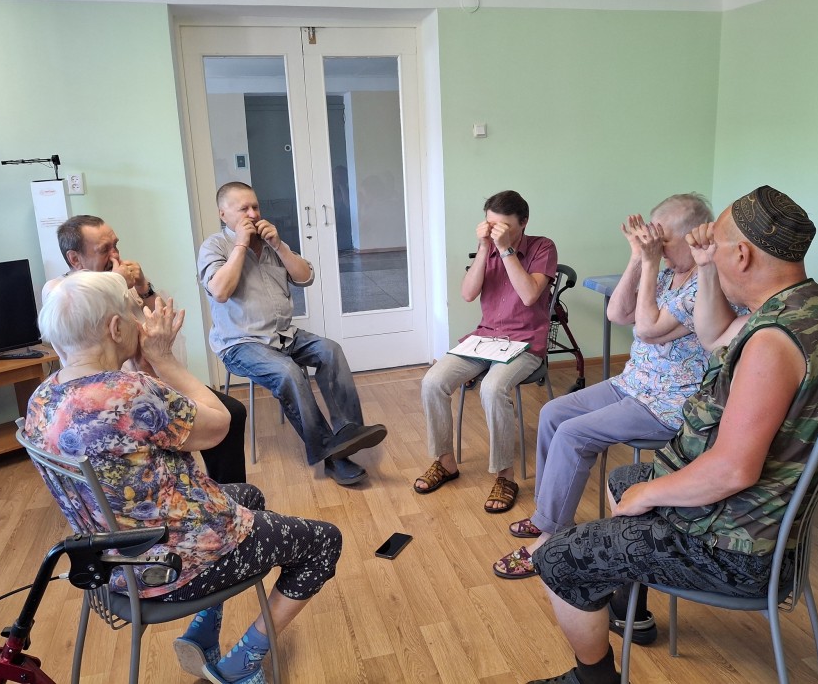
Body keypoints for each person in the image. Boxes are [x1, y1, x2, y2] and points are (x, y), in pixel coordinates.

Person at [526, 186, 818, 684]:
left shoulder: (773, 343)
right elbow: (712, 335)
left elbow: (733, 469)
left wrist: (651, 494)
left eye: (713, 245)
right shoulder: (817, 311)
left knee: (557, 559)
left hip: (734, 547)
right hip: (768, 522)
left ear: (742, 255)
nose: (703, 250)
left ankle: (593, 678)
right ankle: (626, 603)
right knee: (625, 479)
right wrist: (707, 266)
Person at [23, 271, 342, 684]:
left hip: (106, 560)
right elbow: (221, 424)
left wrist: (140, 363)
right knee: (324, 542)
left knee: (250, 495)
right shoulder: (130, 393)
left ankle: (201, 635)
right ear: (116, 328)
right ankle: (241, 665)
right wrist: (164, 359)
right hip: (170, 566)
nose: (141, 322)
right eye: (133, 314)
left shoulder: (43, 397)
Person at [493, 194, 720, 643]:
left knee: (574, 434)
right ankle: (550, 515)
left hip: (667, 402)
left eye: (662, 240)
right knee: (554, 412)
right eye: (651, 238)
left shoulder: (703, 287)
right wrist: (638, 257)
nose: (656, 246)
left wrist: (648, 261)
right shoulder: (667, 271)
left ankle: (546, 539)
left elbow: (645, 328)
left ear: (693, 237)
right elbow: (618, 312)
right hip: (633, 383)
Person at [197, 181, 387, 487]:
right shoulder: (214, 247)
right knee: (288, 371)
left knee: (330, 350)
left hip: (284, 334)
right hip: (241, 343)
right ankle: (331, 455)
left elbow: (306, 277)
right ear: (223, 214)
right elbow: (219, 291)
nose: (253, 214)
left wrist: (280, 246)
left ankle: (348, 431)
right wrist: (241, 246)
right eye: (243, 208)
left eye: (255, 206)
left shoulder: (270, 243)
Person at [44, 214, 247, 485]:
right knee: (222, 418)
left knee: (233, 412)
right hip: (120, 396)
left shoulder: (121, 282)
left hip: (152, 381)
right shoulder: (61, 292)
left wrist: (144, 288)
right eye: (104, 250)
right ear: (75, 259)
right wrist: (116, 282)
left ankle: (224, 489)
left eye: (116, 245)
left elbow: (161, 319)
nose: (116, 255)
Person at [414, 190, 557, 513]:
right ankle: (445, 462)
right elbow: (467, 294)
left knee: (492, 388)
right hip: (485, 337)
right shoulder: (488, 248)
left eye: (504, 226)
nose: (496, 232)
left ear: (523, 222)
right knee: (432, 381)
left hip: (525, 342)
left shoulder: (542, 247)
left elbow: (529, 296)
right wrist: (483, 248)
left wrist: (505, 250)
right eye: (491, 225)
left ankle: (505, 477)